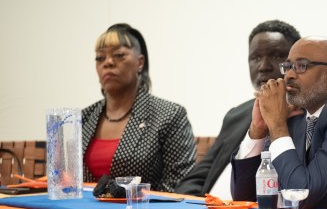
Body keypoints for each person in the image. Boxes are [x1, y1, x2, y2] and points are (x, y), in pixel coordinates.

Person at [230, 36, 327, 209]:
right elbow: (244, 197)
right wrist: (258, 129)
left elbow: (302, 196)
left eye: (301, 66)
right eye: (287, 67)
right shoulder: (298, 110)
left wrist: (278, 126)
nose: (289, 75)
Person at [175, 20, 301, 198]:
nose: (263, 66)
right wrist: (185, 208)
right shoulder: (237, 114)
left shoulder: (306, 117)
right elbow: (199, 177)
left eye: (276, 56)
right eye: (255, 58)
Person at [82, 23, 196, 192]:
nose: (108, 63)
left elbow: (180, 183)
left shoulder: (169, 115)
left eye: (119, 55)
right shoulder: (83, 118)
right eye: (100, 58)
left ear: (140, 63)